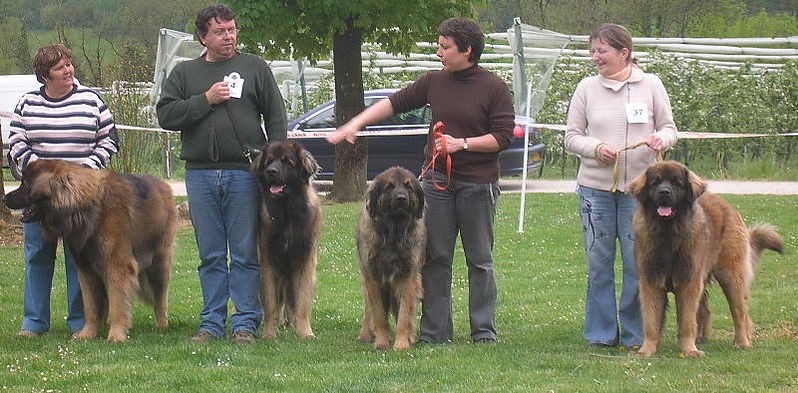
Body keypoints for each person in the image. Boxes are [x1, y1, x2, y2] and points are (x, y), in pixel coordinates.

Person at [328, 17, 513, 344]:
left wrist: (462, 144)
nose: (439, 52)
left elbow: (503, 137)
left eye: (445, 47)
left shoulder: (494, 87)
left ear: (467, 50)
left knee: (479, 260)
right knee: (435, 258)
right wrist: (356, 123)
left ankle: (483, 332)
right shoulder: (433, 82)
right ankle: (435, 332)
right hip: (438, 184)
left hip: (478, 185)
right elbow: (393, 103)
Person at [156, 3, 287, 344]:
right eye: (219, 32)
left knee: (244, 253)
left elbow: (276, 116)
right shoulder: (185, 73)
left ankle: (245, 322)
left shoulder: (254, 67)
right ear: (203, 37)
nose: (228, 37)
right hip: (200, 175)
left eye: (231, 30)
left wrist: (274, 160)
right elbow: (166, 115)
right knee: (211, 254)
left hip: (244, 174)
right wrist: (205, 100)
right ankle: (211, 323)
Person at [564, 23, 678, 349]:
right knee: (598, 265)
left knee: (636, 263)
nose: (595, 57)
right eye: (593, 51)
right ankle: (600, 335)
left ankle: (636, 335)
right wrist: (596, 148)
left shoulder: (651, 85)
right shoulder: (586, 88)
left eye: (601, 51)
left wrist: (661, 139)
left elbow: (670, 129)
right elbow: (571, 137)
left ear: (624, 52)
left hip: (640, 193)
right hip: (595, 191)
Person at [7, 44, 119, 338]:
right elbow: (16, 141)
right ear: (45, 76)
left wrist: (84, 171)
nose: (68, 71)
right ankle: (33, 323)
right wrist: (40, 173)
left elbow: (109, 139)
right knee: (37, 255)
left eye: (69, 64)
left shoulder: (91, 100)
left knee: (79, 258)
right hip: (39, 198)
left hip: (81, 198)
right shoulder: (28, 103)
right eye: (60, 68)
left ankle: (81, 321)